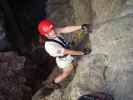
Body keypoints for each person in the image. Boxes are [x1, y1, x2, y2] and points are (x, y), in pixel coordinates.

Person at [38, 19, 90, 88]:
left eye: (52, 29)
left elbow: (65, 29)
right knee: (66, 73)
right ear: (45, 34)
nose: (53, 31)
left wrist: (81, 27)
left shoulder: (52, 32)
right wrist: (82, 53)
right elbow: (67, 51)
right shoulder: (50, 46)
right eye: (50, 31)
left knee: (73, 44)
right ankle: (53, 82)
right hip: (64, 61)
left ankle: (53, 82)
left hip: (67, 49)